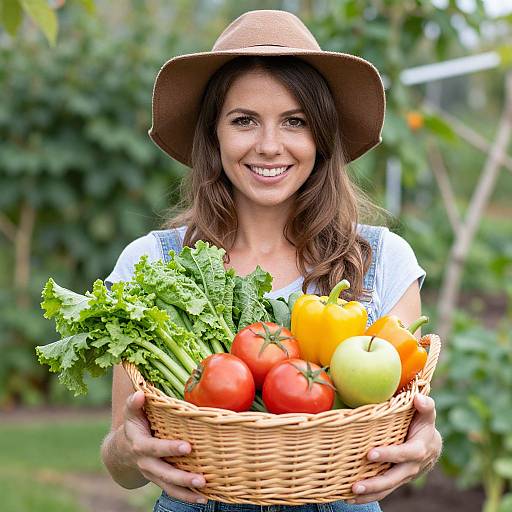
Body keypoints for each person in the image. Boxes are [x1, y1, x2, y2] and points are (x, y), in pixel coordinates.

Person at [100, 9, 442, 512]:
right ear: (213, 134)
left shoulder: (382, 260)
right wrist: (128, 451)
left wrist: (428, 448)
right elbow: (119, 462)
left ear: (321, 137)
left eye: (295, 121)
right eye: (244, 121)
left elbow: (406, 425)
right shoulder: (151, 262)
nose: (269, 146)